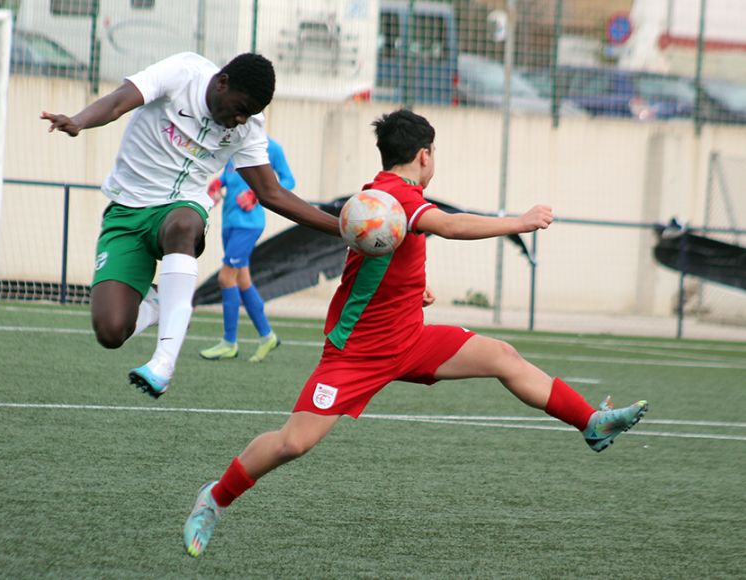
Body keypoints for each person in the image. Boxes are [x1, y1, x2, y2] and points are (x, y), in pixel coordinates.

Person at [182, 108, 649, 558]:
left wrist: (412, 292)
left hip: (409, 338)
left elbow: (382, 256)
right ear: (425, 155)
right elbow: (447, 225)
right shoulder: (396, 198)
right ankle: (215, 499)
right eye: (434, 155)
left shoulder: (383, 195)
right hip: (357, 353)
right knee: (293, 443)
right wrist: (519, 222)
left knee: (504, 356)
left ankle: (590, 422)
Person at [41, 52, 339, 398]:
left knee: (184, 225)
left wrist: (341, 230)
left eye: (249, 114)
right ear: (222, 82)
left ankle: (163, 363)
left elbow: (272, 193)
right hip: (127, 212)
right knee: (110, 332)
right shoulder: (182, 73)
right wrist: (79, 120)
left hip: (181, 209)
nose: (240, 119)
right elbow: (117, 102)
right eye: (240, 107)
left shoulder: (246, 129)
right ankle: (157, 304)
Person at [199, 138, 294, 363]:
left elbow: (289, 181)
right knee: (242, 281)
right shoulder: (235, 142)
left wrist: (257, 195)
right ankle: (267, 336)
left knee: (225, 278)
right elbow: (233, 176)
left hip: (248, 225)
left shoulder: (271, 147)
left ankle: (229, 343)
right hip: (230, 222)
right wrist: (218, 182)